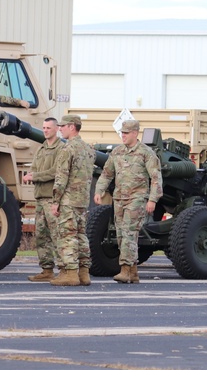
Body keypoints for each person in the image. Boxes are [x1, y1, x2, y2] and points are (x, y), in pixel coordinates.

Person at [93, 119, 163, 283]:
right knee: (121, 235)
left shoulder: (146, 153)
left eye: (126, 133)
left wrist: (152, 200)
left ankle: (125, 269)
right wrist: (99, 190)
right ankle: (133, 272)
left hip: (137, 199)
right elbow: (107, 174)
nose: (123, 136)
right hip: (119, 199)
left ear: (135, 133)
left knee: (129, 233)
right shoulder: (117, 152)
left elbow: (156, 179)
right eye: (122, 133)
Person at [50, 114, 96, 286]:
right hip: (82, 200)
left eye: (62, 126)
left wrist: (55, 201)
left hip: (68, 200)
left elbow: (61, 178)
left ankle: (69, 274)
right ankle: (84, 273)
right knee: (81, 236)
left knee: (67, 236)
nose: (59, 129)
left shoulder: (67, 149)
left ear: (71, 127)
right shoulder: (88, 149)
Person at [22, 117, 64, 282]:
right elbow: (34, 168)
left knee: (56, 235)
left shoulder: (61, 148)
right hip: (40, 197)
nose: (45, 130)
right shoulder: (41, 149)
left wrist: (36, 176)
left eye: (48, 128)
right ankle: (46, 269)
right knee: (41, 235)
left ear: (56, 129)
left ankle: (64, 270)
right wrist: (31, 175)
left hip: (52, 197)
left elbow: (57, 171)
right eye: (44, 127)